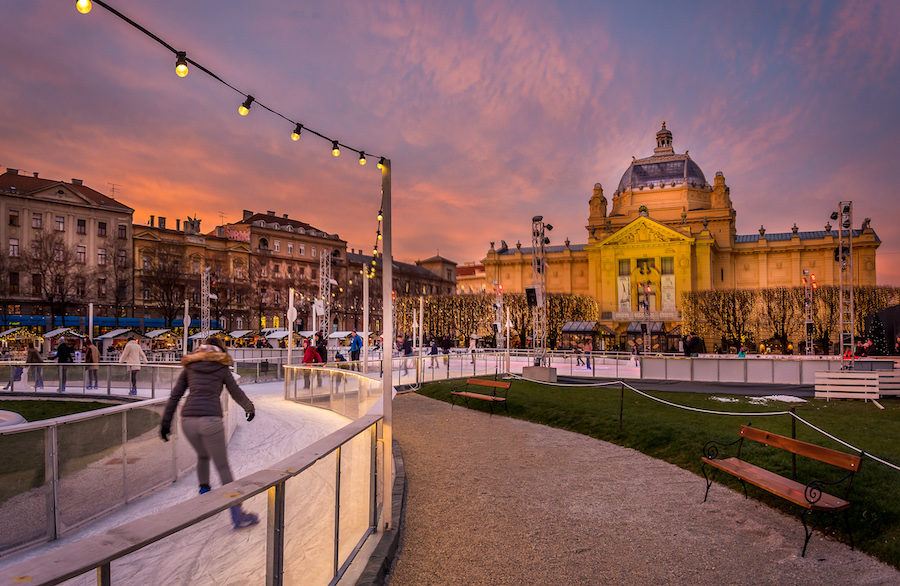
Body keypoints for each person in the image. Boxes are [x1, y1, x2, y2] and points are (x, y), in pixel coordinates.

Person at [159, 337, 258, 529]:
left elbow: (176, 395)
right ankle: (237, 513)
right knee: (222, 466)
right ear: (220, 351)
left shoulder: (190, 367)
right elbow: (234, 390)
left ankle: (204, 495)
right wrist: (249, 407)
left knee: (203, 456)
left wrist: (165, 423)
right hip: (210, 419)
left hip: (187, 421)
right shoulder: (221, 367)